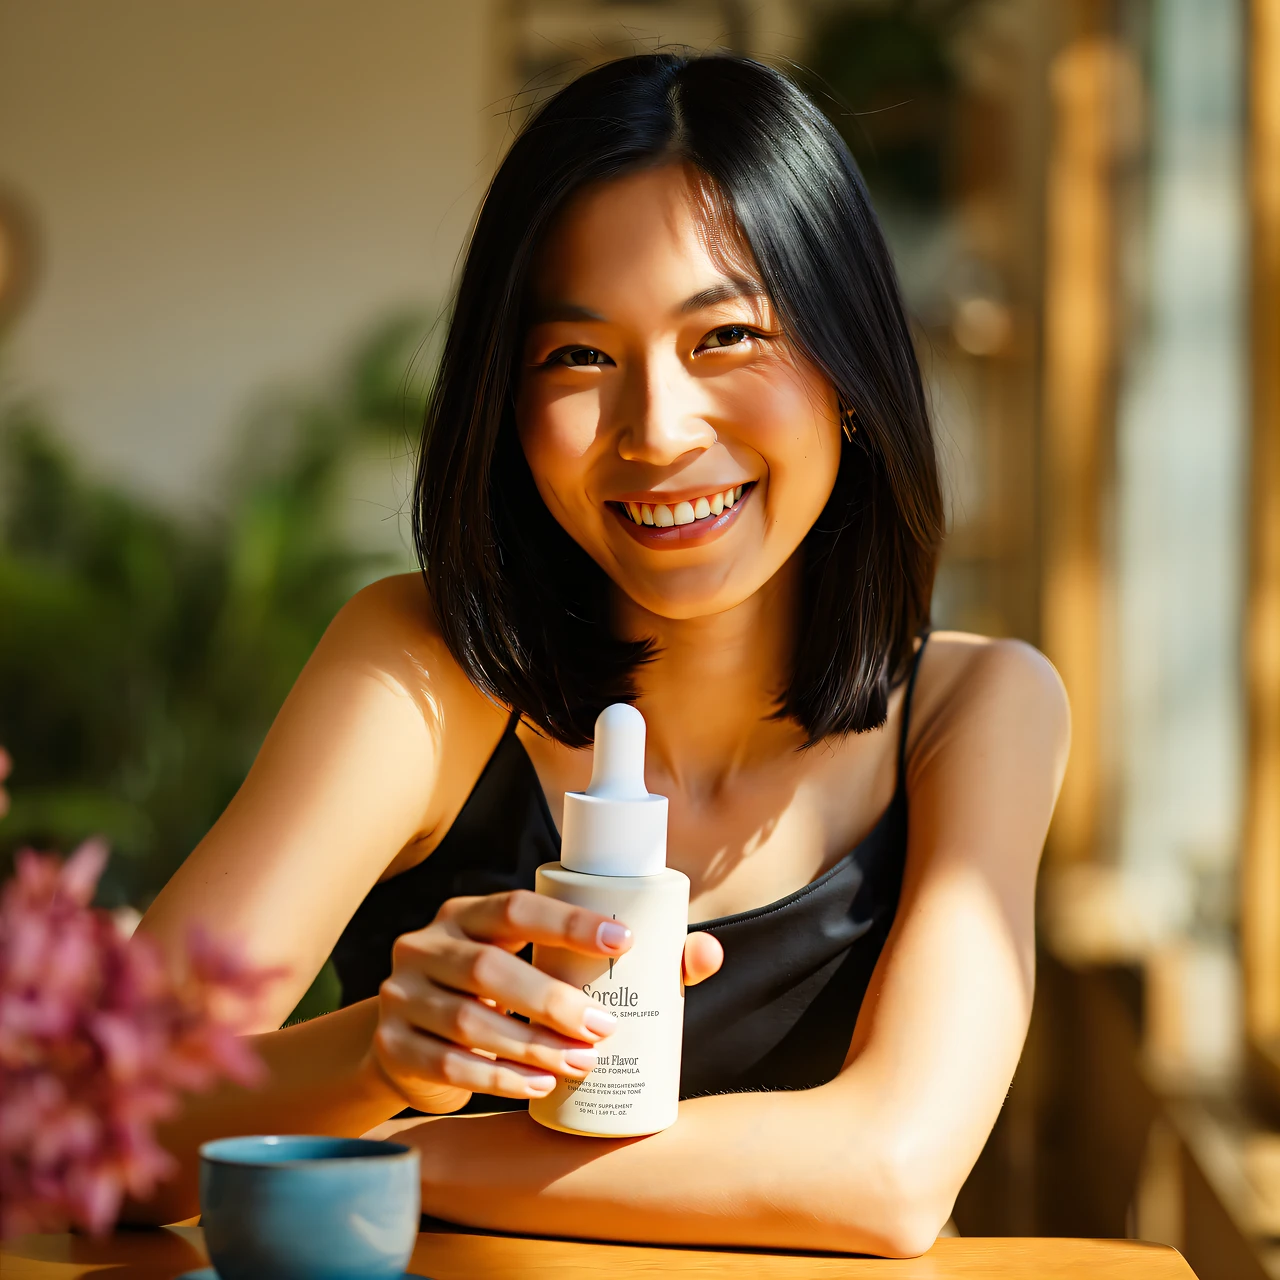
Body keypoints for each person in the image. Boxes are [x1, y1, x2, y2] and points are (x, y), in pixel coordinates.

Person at [132, 52, 1069, 1257]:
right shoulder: (425, 670)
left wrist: (385, 1152)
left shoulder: (974, 708)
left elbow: (888, 1175)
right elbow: (102, 1120)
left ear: (848, 368)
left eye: (725, 335)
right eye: (578, 356)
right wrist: (377, 1055)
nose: (658, 431)